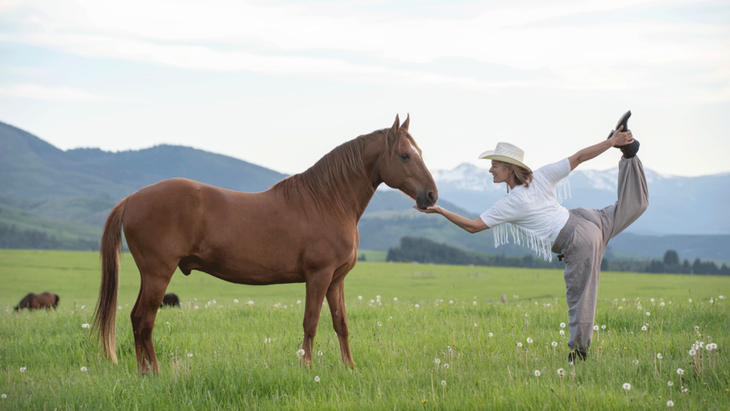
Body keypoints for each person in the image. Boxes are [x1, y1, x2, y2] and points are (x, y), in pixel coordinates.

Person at [414, 111, 648, 362]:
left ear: (509, 168)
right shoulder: (541, 175)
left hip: (577, 240)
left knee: (581, 296)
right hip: (585, 219)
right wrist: (611, 142)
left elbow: (473, 226)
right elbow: (579, 157)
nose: (490, 170)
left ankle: (578, 356)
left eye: (494, 165)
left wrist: (439, 210)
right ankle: (629, 154)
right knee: (632, 206)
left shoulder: (511, 202)